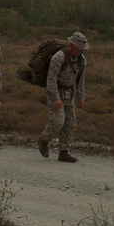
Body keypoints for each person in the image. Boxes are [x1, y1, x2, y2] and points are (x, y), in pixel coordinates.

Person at [38, 31, 89, 162]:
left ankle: (64, 151)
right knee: (58, 121)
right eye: (78, 48)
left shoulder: (81, 60)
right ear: (71, 45)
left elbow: (81, 79)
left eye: (82, 49)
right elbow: (51, 78)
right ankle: (44, 139)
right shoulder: (58, 57)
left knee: (70, 124)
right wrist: (55, 98)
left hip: (69, 93)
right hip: (56, 92)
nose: (80, 51)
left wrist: (81, 97)